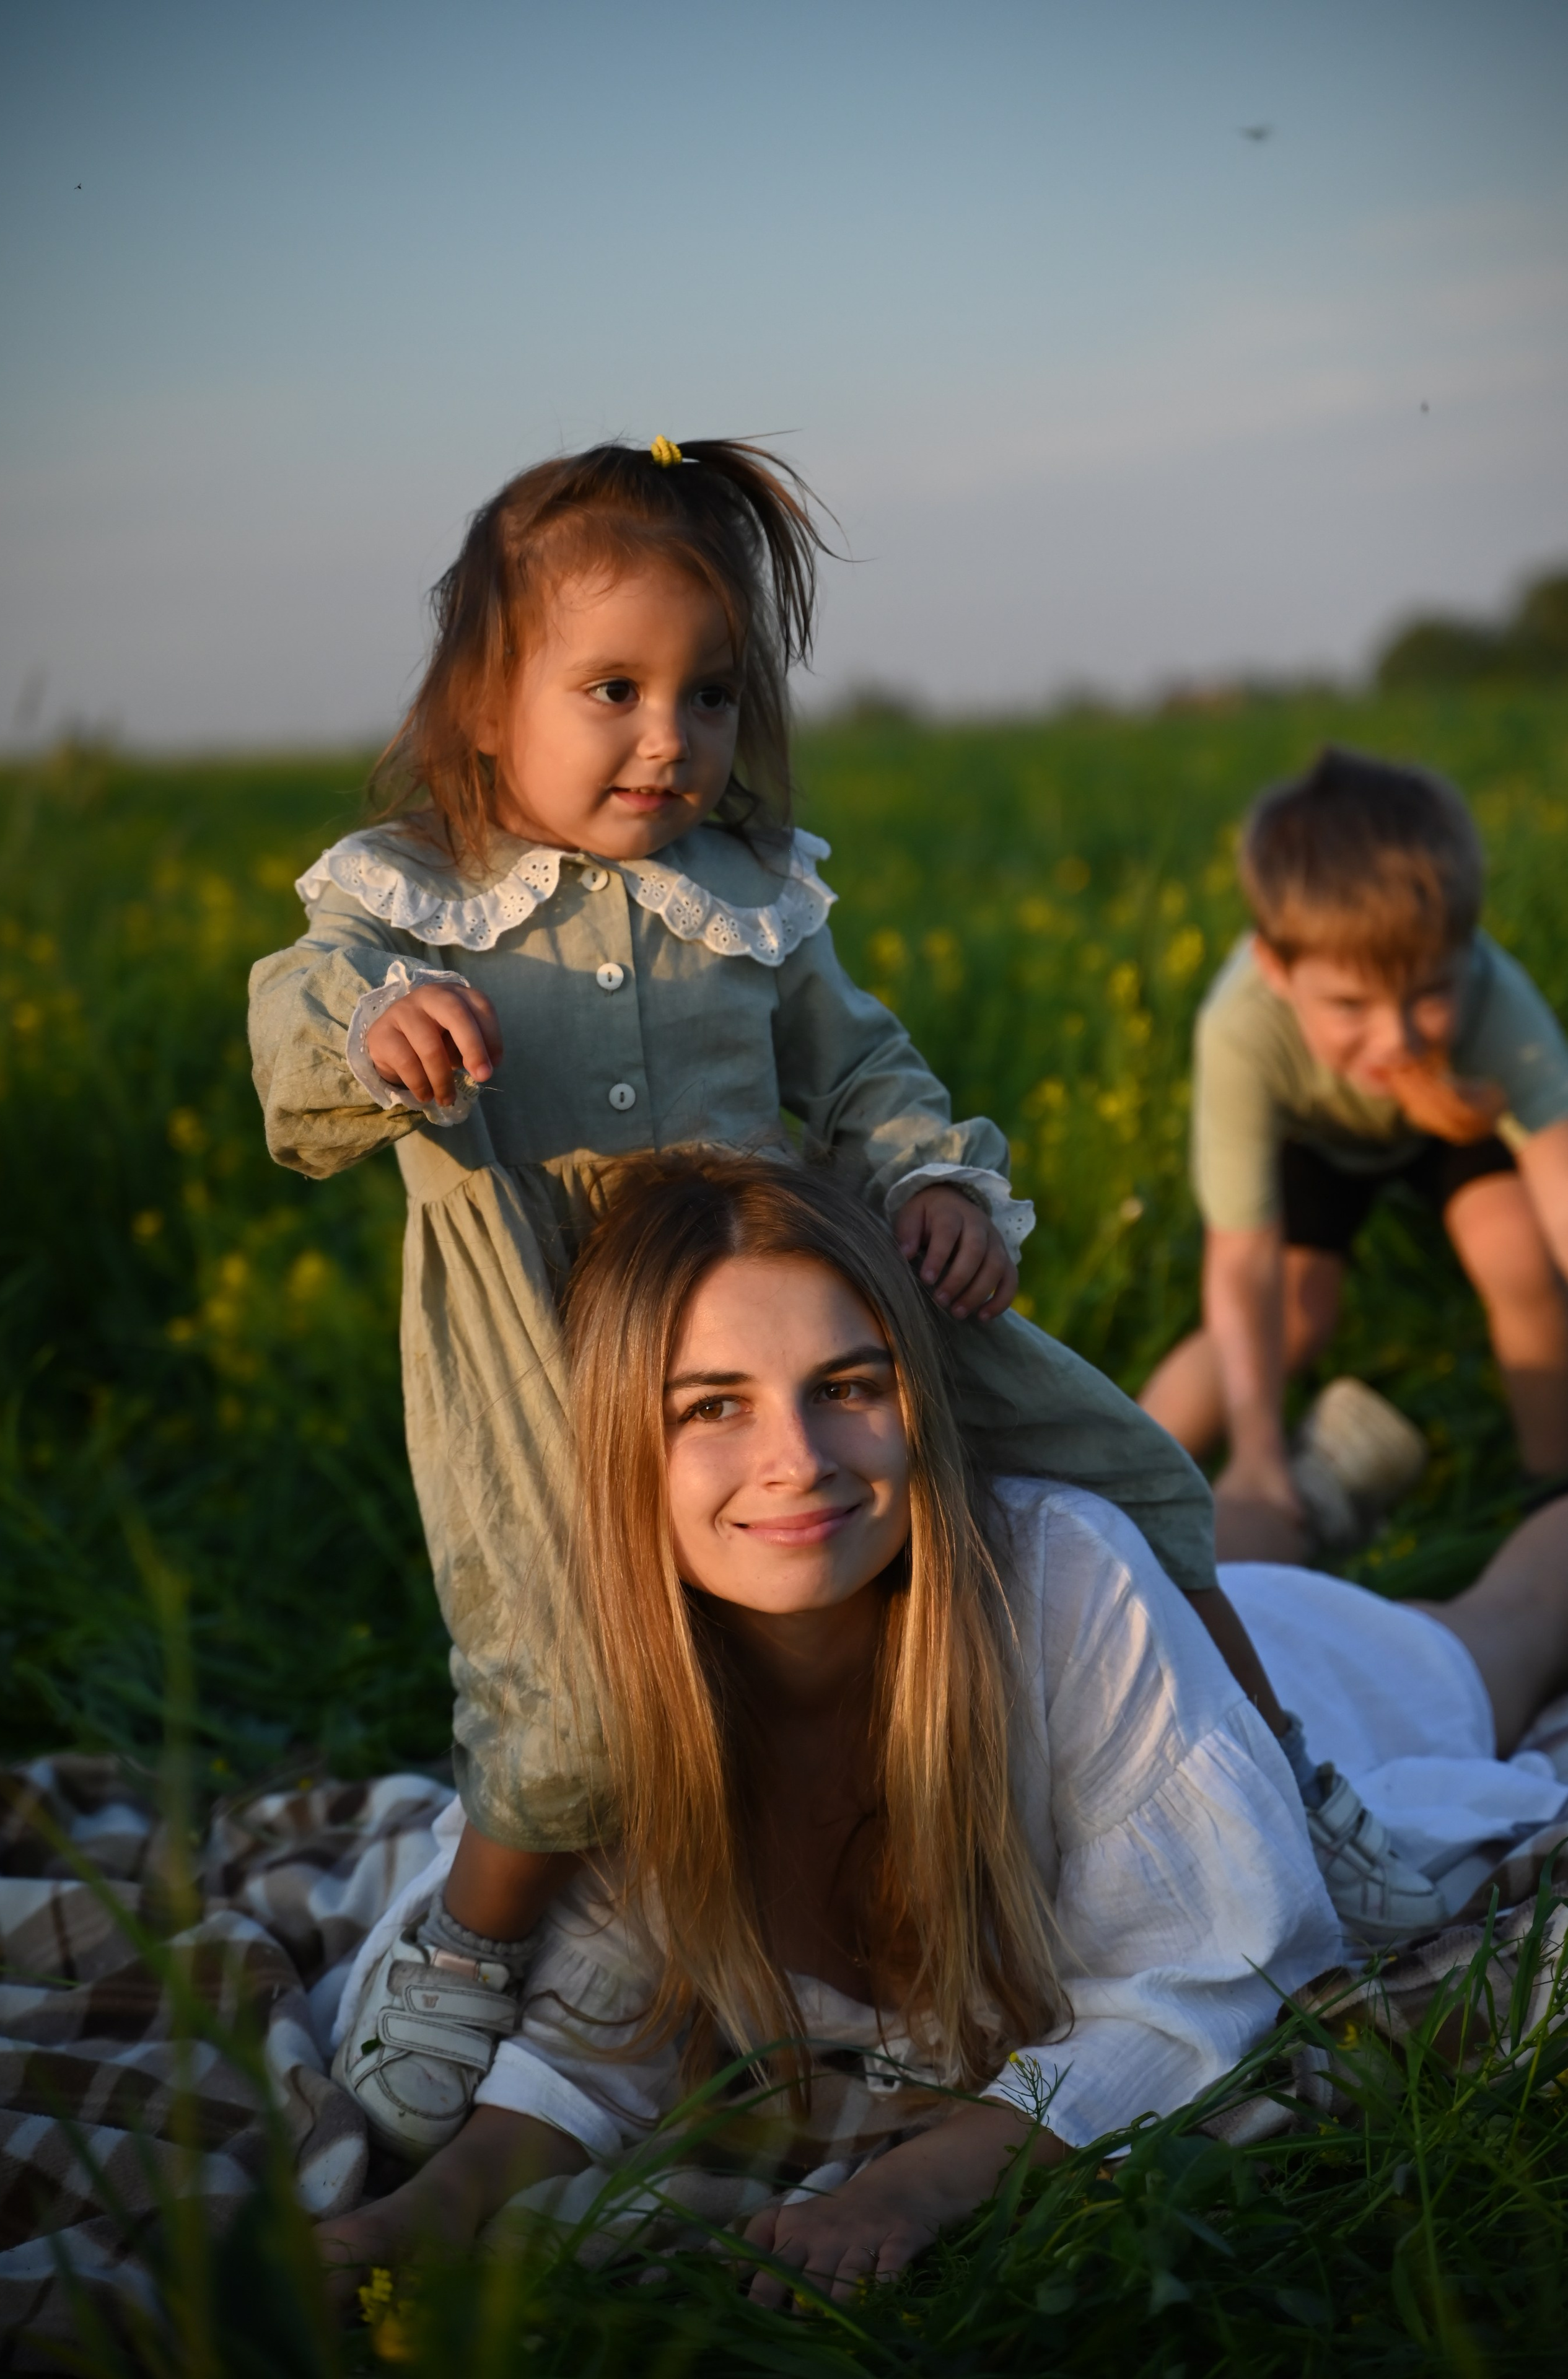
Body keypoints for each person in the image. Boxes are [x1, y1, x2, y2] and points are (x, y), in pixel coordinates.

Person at [250, 439, 1392, 2153]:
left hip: (784, 1296)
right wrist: (374, 1038)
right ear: (485, 705)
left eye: (710, 696)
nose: (670, 738)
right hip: (549, 1331)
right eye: (614, 689)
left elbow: (864, 1073)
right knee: (567, 1688)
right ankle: (483, 1949)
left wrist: (936, 1183)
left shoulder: (752, 902)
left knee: (1138, 1470)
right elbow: (294, 1039)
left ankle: (1284, 1786)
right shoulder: (408, 903)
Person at [318, 1153, 1568, 2304]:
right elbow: (590, 2042)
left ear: (912, 1397)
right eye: (712, 1407)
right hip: (1147, 1623)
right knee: (1222, 1550)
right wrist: (431, 2208)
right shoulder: (619, 1686)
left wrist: (907, 2186)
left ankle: (1326, 1489)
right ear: (618, 1441)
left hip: (1250, 1678)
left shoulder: (1062, 1580)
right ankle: (1318, 1476)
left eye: (845, 1387)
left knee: (1493, 1633)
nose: (796, 1459)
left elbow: (1205, 1972)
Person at [1140, 747, 1568, 1564]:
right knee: (1296, 1315)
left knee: (1516, 1255)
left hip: (1449, 1116)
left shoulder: (1496, 1004)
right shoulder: (1242, 1027)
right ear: (1276, 967)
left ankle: (1551, 1488)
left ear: (1468, 948)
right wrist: (1259, 1454)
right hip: (1317, 1138)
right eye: (1349, 1005)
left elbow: (1561, 1187)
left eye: (1430, 993)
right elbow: (1241, 1263)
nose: (1395, 1035)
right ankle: (1129, 1461)